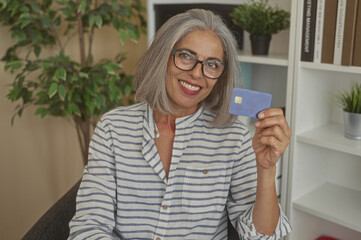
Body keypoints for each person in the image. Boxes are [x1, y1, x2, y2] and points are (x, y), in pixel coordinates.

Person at [68, 9, 292, 240]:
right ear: (163, 56)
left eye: (212, 64)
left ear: (221, 76)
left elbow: (262, 236)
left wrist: (266, 170)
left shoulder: (233, 137)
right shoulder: (113, 128)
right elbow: (88, 229)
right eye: (186, 56)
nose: (197, 73)